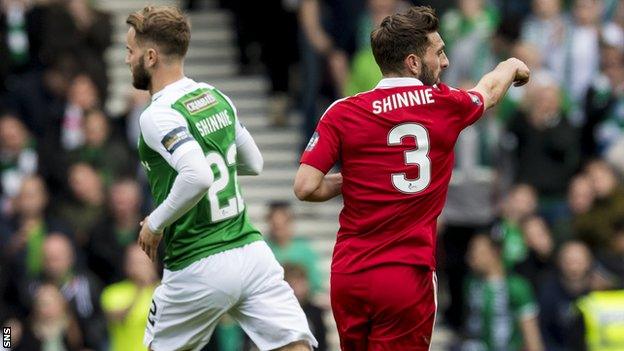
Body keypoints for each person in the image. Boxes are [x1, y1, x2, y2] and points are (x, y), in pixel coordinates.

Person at [293, 5, 530, 349]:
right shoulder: (442, 103)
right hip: (405, 274)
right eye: (439, 52)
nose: (445, 62)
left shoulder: (343, 111)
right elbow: (489, 91)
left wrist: (356, 178)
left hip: (349, 274)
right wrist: (511, 65)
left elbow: (305, 186)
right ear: (413, 62)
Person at [125, 6, 317, 351]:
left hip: (197, 262)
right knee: (294, 346)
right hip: (250, 251)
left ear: (150, 56)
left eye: (131, 52)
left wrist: (154, 223)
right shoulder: (215, 97)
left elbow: (197, 176)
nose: (127, 60)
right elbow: (254, 162)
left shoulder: (157, 114)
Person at [462, 233, 544, 351]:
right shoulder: (470, 283)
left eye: (476, 252)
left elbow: (532, 336)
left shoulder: (517, 286)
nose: (470, 257)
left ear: (494, 252)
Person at [101, 244, 159, 351]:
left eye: (142, 262)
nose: (138, 267)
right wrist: (139, 289)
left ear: (153, 264)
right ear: (126, 265)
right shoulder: (113, 292)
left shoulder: (163, 291)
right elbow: (120, 318)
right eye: (134, 262)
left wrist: (152, 284)